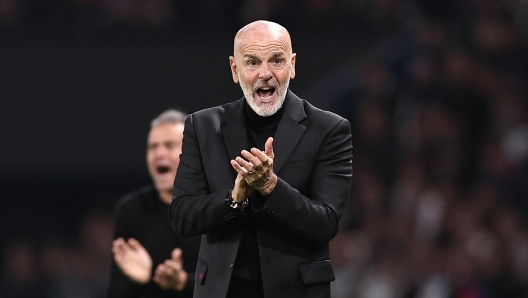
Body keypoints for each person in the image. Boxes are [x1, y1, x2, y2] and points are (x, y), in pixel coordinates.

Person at [168, 20, 353, 298]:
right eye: (252, 62)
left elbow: (325, 223)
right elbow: (183, 217)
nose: (265, 73)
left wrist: (271, 188)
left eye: (276, 60)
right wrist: (234, 198)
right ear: (235, 69)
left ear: (292, 64)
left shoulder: (329, 129)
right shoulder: (202, 126)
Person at [107, 109, 201, 298]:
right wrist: (138, 280)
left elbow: (235, 287)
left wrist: (184, 282)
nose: (159, 153)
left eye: (169, 145)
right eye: (153, 147)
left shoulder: (218, 206)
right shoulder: (132, 210)